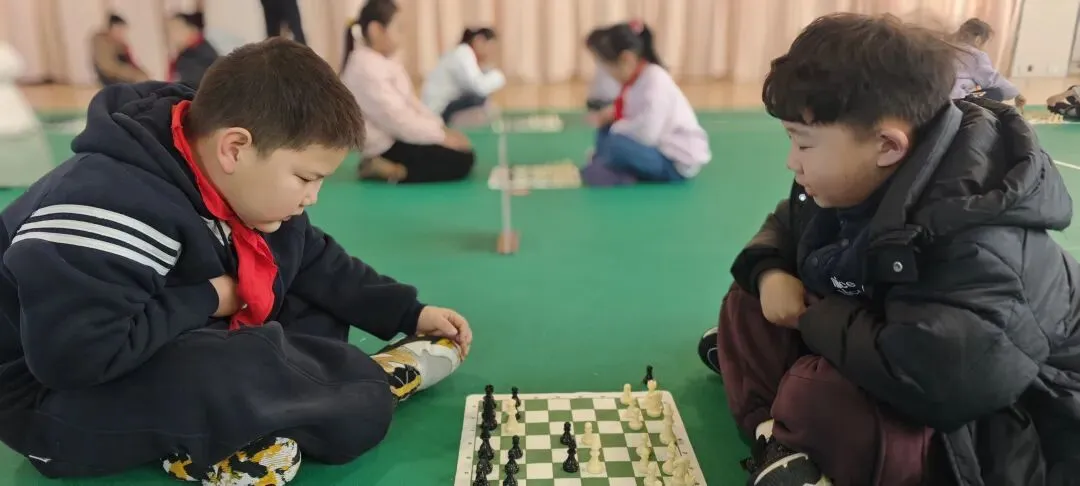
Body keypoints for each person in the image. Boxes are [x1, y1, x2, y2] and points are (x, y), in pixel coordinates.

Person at [0, 38, 474, 486]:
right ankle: (366, 384)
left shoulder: (224, 172)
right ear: (234, 148)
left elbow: (312, 257)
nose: (313, 196)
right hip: (52, 401)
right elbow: (73, 358)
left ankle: (265, 412)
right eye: (305, 178)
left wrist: (408, 312)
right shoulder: (107, 206)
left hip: (152, 337)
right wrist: (208, 297)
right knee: (230, 369)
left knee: (309, 299)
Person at [705, 12, 1080, 486]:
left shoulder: (980, 241)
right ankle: (772, 438)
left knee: (819, 396)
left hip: (1005, 412)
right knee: (751, 296)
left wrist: (810, 319)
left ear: (886, 145)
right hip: (891, 337)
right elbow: (789, 224)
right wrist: (770, 273)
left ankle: (778, 400)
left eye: (803, 144)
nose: (791, 162)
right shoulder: (853, 178)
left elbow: (940, 387)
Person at [340, 0, 475, 184]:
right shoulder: (364, 68)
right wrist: (441, 137)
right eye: (399, 28)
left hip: (400, 135)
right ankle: (385, 168)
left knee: (463, 152)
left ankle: (388, 166)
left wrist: (440, 129)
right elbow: (397, 120)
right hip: (386, 145)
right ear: (376, 30)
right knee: (461, 161)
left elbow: (411, 104)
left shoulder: (385, 62)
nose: (403, 35)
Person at [579, 22, 710, 186]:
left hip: (672, 161)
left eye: (607, 67)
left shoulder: (656, 81)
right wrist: (612, 117)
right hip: (652, 148)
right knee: (606, 133)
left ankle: (618, 171)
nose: (608, 73)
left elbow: (647, 135)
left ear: (626, 59)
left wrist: (617, 128)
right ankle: (608, 165)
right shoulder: (637, 80)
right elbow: (633, 113)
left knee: (615, 143)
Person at [420, 27, 505, 126]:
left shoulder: (460, 53)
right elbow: (478, 87)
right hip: (439, 110)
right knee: (479, 99)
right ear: (479, 41)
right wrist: (499, 76)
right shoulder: (463, 53)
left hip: (442, 107)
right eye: (490, 48)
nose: (489, 54)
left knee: (486, 105)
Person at [947, 18, 1026, 109]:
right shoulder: (976, 55)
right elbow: (991, 79)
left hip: (939, 98)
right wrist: (1016, 93)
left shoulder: (947, 47)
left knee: (975, 86)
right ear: (978, 40)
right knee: (996, 93)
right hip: (956, 100)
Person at [90, 13, 148, 86]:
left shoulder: (120, 44)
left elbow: (131, 62)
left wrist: (142, 73)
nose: (121, 34)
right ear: (110, 29)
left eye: (122, 31)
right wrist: (134, 75)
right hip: (109, 77)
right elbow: (108, 67)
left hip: (122, 75)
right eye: (119, 31)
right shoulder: (101, 42)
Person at [165, 12, 219, 87]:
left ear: (192, 29)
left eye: (176, 29)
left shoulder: (198, 56)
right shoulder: (185, 54)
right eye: (169, 31)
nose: (172, 35)